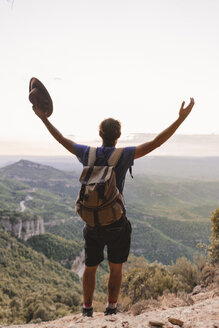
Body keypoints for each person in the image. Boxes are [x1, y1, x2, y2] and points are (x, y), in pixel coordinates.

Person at [33, 97, 195, 316]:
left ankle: (87, 309)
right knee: (115, 267)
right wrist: (180, 119)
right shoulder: (123, 155)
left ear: (100, 134)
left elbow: (61, 139)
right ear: (118, 135)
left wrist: (44, 119)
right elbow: (157, 142)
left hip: (91, 222)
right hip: (117, 222)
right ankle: (111, 308)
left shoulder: (87, 154)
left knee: (90, 266)